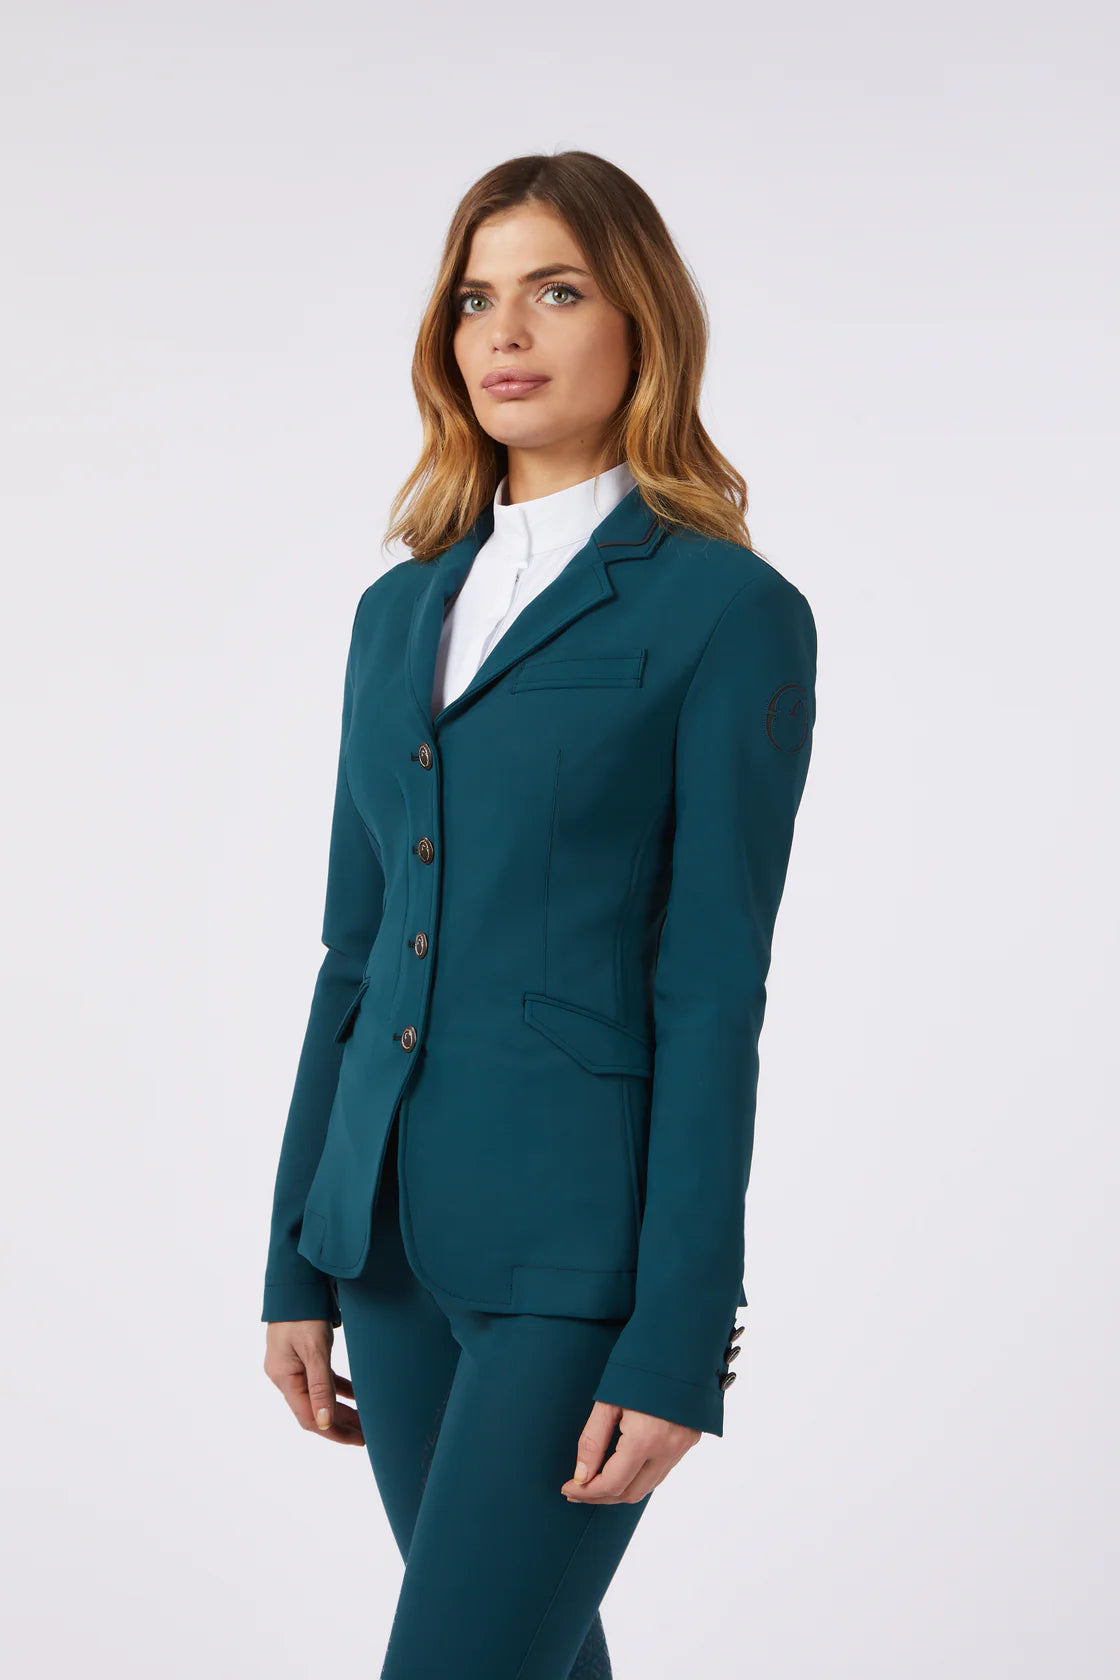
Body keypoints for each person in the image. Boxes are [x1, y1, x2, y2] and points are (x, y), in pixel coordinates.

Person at [260, 149, 818, 1679]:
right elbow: (354, 955)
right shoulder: (397, 613)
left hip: (578, 1265)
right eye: (474, 299)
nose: (504, 333)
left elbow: (715, 988)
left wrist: (682, 1334)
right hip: (381, 1249)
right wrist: (297, 1256)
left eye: (556, 292)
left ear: (641, 319)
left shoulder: (725, 611)